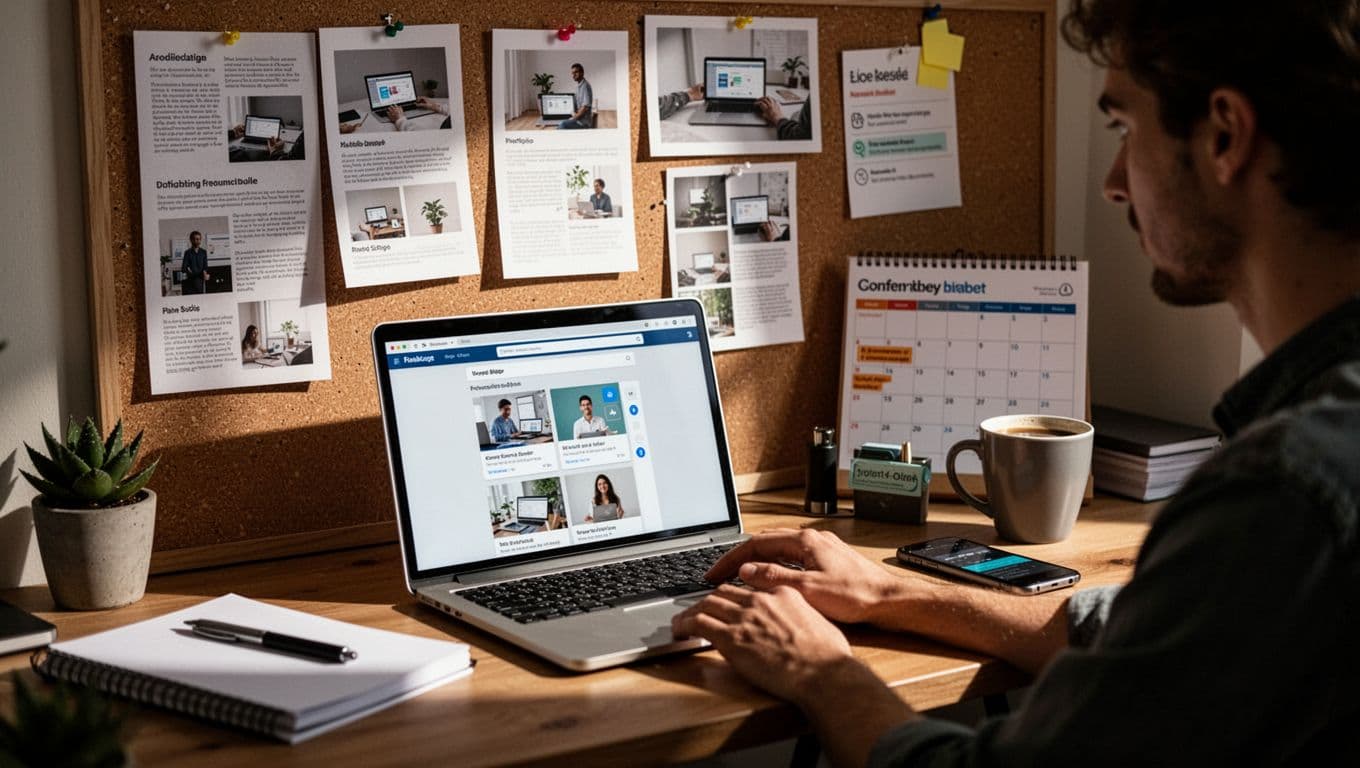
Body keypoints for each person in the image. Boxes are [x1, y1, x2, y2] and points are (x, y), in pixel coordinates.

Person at [672, 2, 1360, 765]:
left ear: (1226, 135)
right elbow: (1152, 637)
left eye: (1124, 130)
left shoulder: (1285, 495)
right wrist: (891, 591)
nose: (1111, 182)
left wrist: (820, 669)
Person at [558, 63, 594, 129]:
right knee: (560, 123)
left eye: (576, 72)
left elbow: (585, 108)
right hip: (578, 119)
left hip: (583, 123)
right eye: (572, 73)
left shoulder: (585, 86)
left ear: (582, 73)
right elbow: (576, 104)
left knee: (563, 125)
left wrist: (573, 118)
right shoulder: (578, 87)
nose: (573, 75)